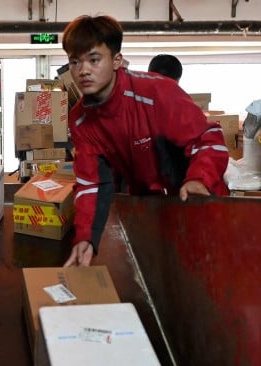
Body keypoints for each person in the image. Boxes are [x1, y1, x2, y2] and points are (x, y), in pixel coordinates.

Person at [61, 15, 229, 267]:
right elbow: (92, 183)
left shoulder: (157, 93)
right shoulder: (81, 120)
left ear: (116, 60)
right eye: (75, 62)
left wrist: (199, 179)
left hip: (199, 198)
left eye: (94, 60)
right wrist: (86, 236)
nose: (83, 70)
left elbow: (208, 139)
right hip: (151, 208)